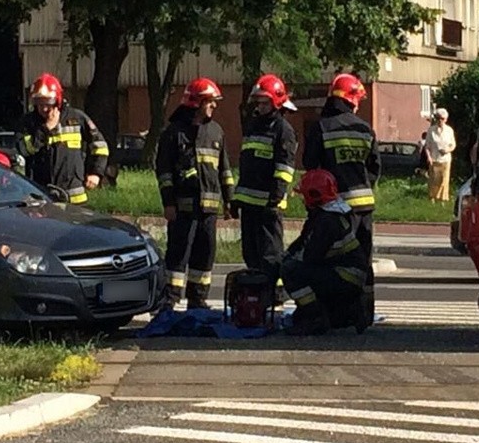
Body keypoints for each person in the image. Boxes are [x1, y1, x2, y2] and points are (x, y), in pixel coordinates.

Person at [302, 72, 380, 314]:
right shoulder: (365, 129)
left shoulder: (321, 127)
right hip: (364, 206)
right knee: (362, 260)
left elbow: (309, 163)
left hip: (332, 208)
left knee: (332, 258)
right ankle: (363, 310)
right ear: (352, 99)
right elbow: (375, 168)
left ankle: (335, 310)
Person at [154, 79, 235, 310]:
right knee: (178, 255)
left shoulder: (216, 131)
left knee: (204, 255)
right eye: (210, 102)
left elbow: (225, 169)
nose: (214, 106)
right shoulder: (174, 133)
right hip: (182, 209)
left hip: (209, 209)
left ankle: (198, 300)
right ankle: (170, 299)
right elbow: (164, 172)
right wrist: (168, 203)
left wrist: (229, 200)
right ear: (196, 102)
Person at [281, 169, 372, 335]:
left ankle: (314, 318)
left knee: (292, 271)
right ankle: (336, 313)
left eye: (304, 195)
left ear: (314, 194)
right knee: (293, 267)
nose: (302, 200)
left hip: (345, 277)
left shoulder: (326, 221)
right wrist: (285, 255)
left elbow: (311, 257)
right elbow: (302, 242)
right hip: (346, 274)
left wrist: (285, 264)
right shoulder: (327, 214)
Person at [231, 73, 299, 285]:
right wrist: (237, 199)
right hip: (249, 205)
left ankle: (275, 294)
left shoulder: (283, 130)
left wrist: (276, 196)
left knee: (271, 254)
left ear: (276, 102)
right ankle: (255, 294)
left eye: (264, 102)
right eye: (258, 102)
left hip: (269, 205)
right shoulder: (253, 126)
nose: (259, 107)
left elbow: (284, 167)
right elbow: (247, 166)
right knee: (250, 253)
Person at [18, 73, 109, 204]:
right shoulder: (28, 123)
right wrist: (46, 130)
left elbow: (100, 145)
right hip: (41, 196)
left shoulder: (76, 118)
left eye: (48, 103)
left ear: (57, 100)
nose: (43, 108)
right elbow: (24, 150)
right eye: (39, 103)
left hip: (74, 196)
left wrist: (96, 172)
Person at [422, 106, 457, 203]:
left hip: (445, 160)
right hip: (434, 159)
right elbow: (427, 146)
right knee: (433, 180)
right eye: (438, 118)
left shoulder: (449, 130)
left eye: (442, 119)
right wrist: (428, 157)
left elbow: (453, 144)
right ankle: (432, 199)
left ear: (446, 119)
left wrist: (447, 150)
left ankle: (442, 199)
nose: (440, 120)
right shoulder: (431, 130)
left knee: (444, 180)